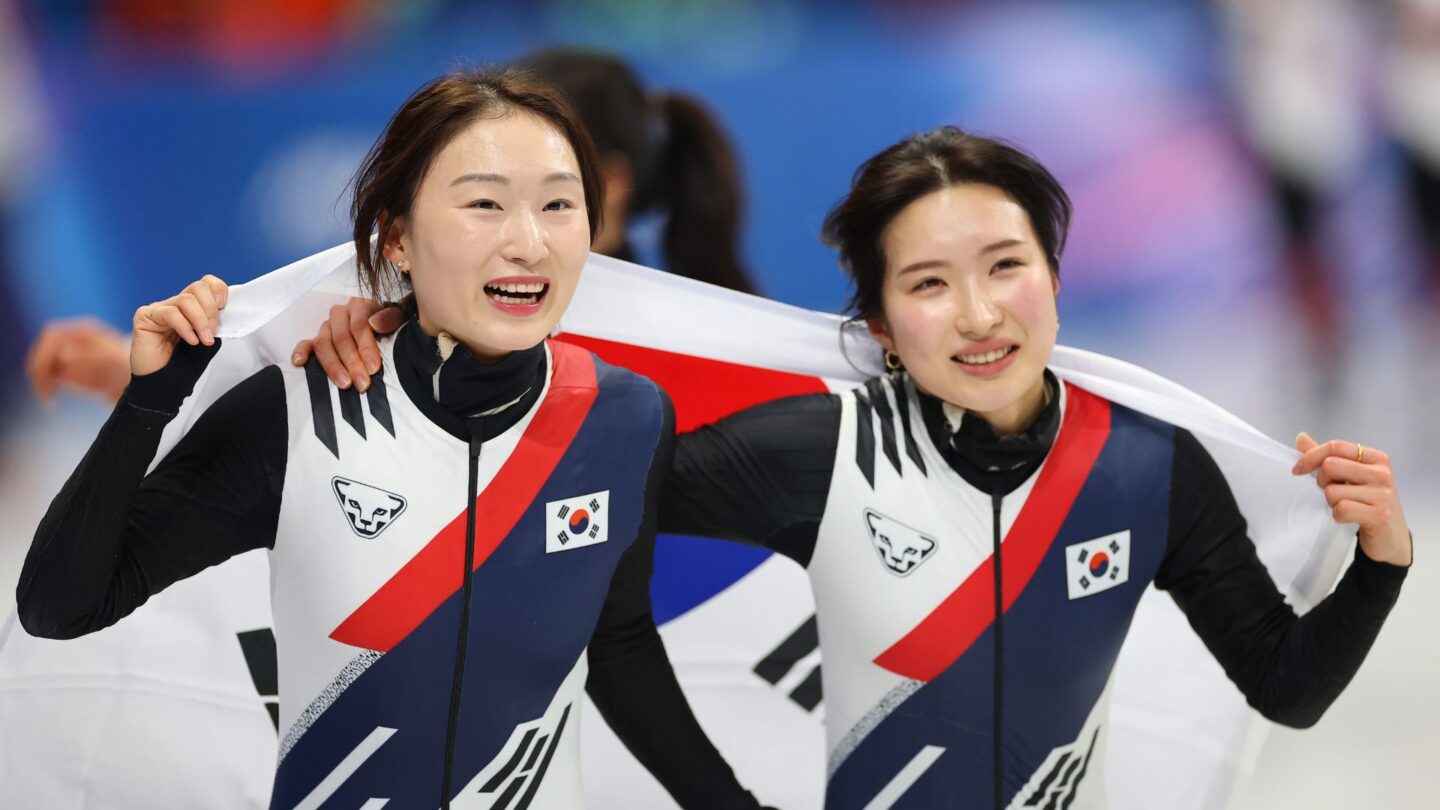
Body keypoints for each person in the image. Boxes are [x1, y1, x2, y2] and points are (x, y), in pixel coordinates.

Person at [313, 126, 1412, 809]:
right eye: (929, 284)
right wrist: (403, 340)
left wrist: (1379, 559)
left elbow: (1290, 685)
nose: (978, 315)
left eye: (1006, 267)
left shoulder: (1146, 467)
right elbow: (547, 484)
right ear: (882, 325)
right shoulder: (819, 450)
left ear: (1053, 276)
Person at [16, 67, 771, 810]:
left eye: (558, 205)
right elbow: (62, 606)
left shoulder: (625, 417)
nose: (529, 242)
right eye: (485, 203)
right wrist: (150, 400)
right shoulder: (299, 413)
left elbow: (619, 640)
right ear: (397, 239)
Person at [23, 46, 757, 405]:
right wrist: (136, 369)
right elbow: (262, 397)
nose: (515, 232)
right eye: (480, 188)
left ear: (611, 185)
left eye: (549, 190)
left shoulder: (682, 354)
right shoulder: (398, 317)